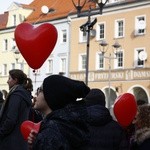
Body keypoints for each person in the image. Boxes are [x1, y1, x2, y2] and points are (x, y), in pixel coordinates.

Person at [27, 74, 90, 150]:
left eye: (40, 90)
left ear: (51, 97)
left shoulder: (51, 132)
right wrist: (37, 143)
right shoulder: (67, 124)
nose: (36, 94)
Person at [0, 69, 33, 150]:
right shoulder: (23, 93)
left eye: (9, 78)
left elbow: (11, 119)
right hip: (20, 140)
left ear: (15, 80)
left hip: (11, 141)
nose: (7, 81)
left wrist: (1, 132)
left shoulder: (16, 95)